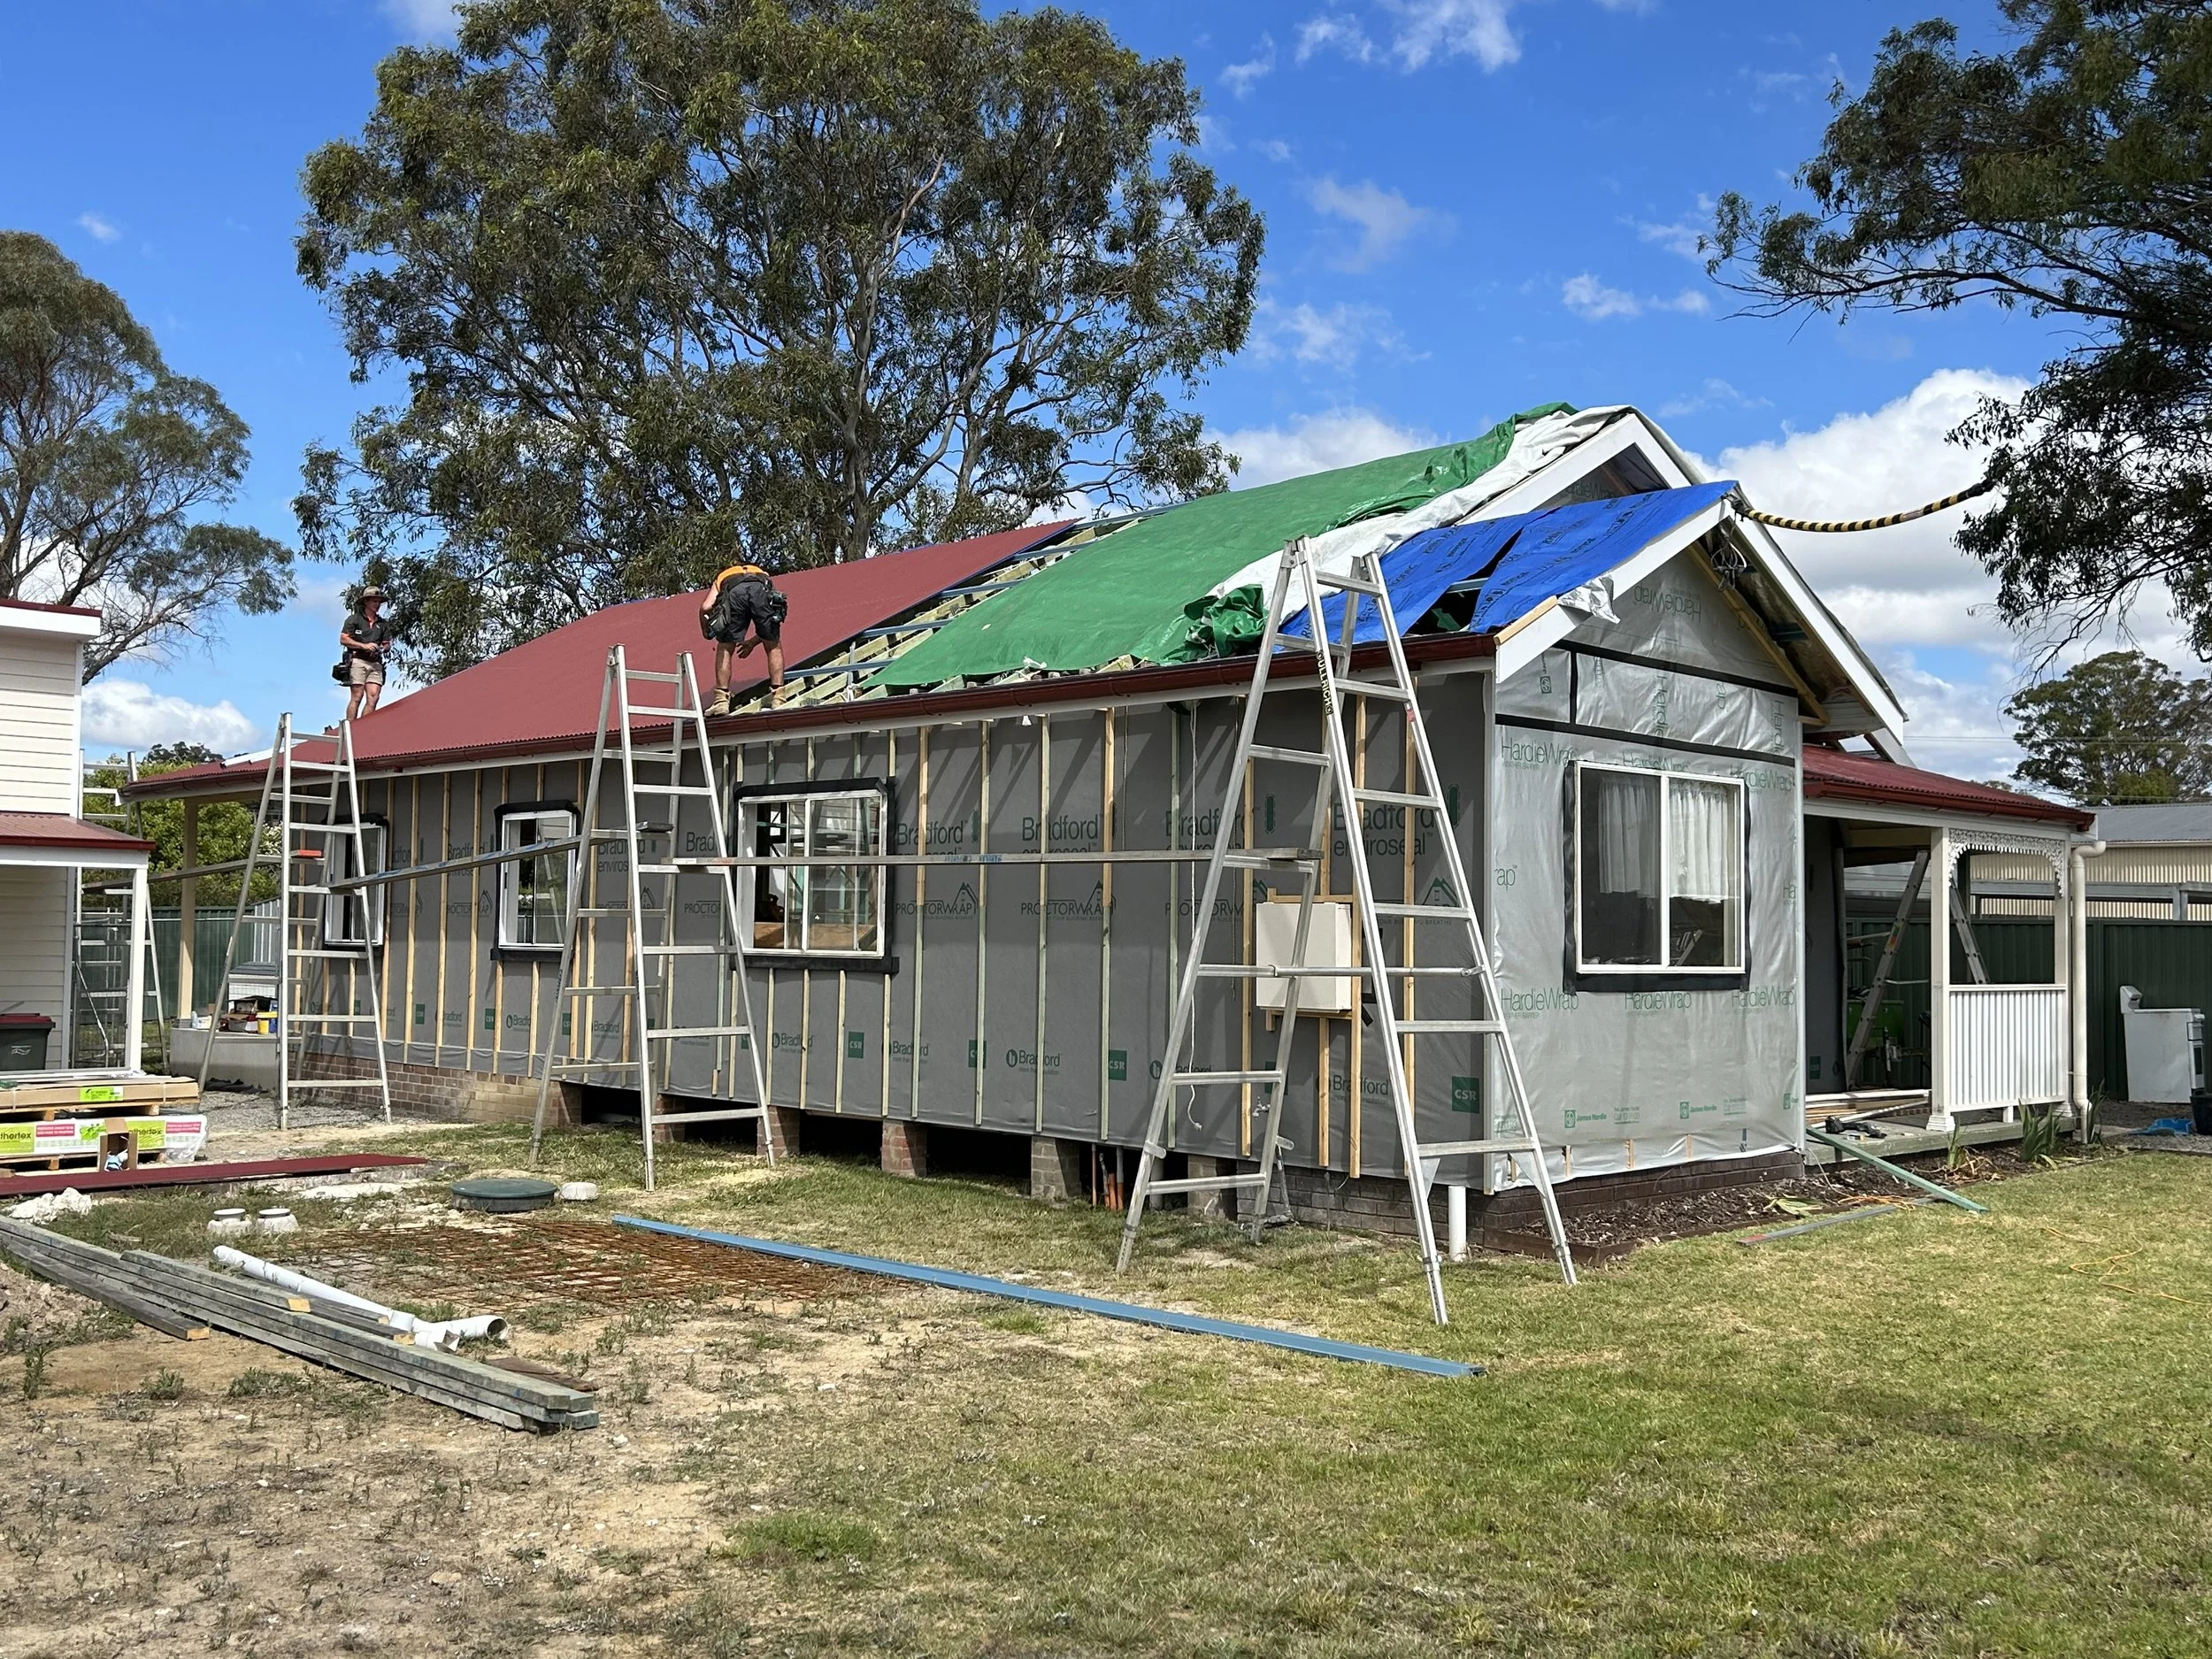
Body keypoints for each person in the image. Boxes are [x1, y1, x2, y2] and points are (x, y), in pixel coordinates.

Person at [698, 557, 787, 716]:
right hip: (761, 588)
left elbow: (706, 607)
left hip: (733, 592)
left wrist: (706, 631)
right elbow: (768, 624)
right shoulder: (762, 574)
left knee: (725, 646)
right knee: (773, 644)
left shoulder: (723, 576)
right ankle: (779, 698)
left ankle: (721, 701)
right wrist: (754, 642)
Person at [339, 585, 395, 721]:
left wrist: (383, 648)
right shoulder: (354, 619)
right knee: (357, 696)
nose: (377, 604)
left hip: (375, 663)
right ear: (366, 601)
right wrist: (364, 646)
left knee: (374, 696)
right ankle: (350, 729)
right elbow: (343, 639)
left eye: (379, 602)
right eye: (374, 601)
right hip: (358, 660)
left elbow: (386, 643)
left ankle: (363, 729)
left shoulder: (382, 623)